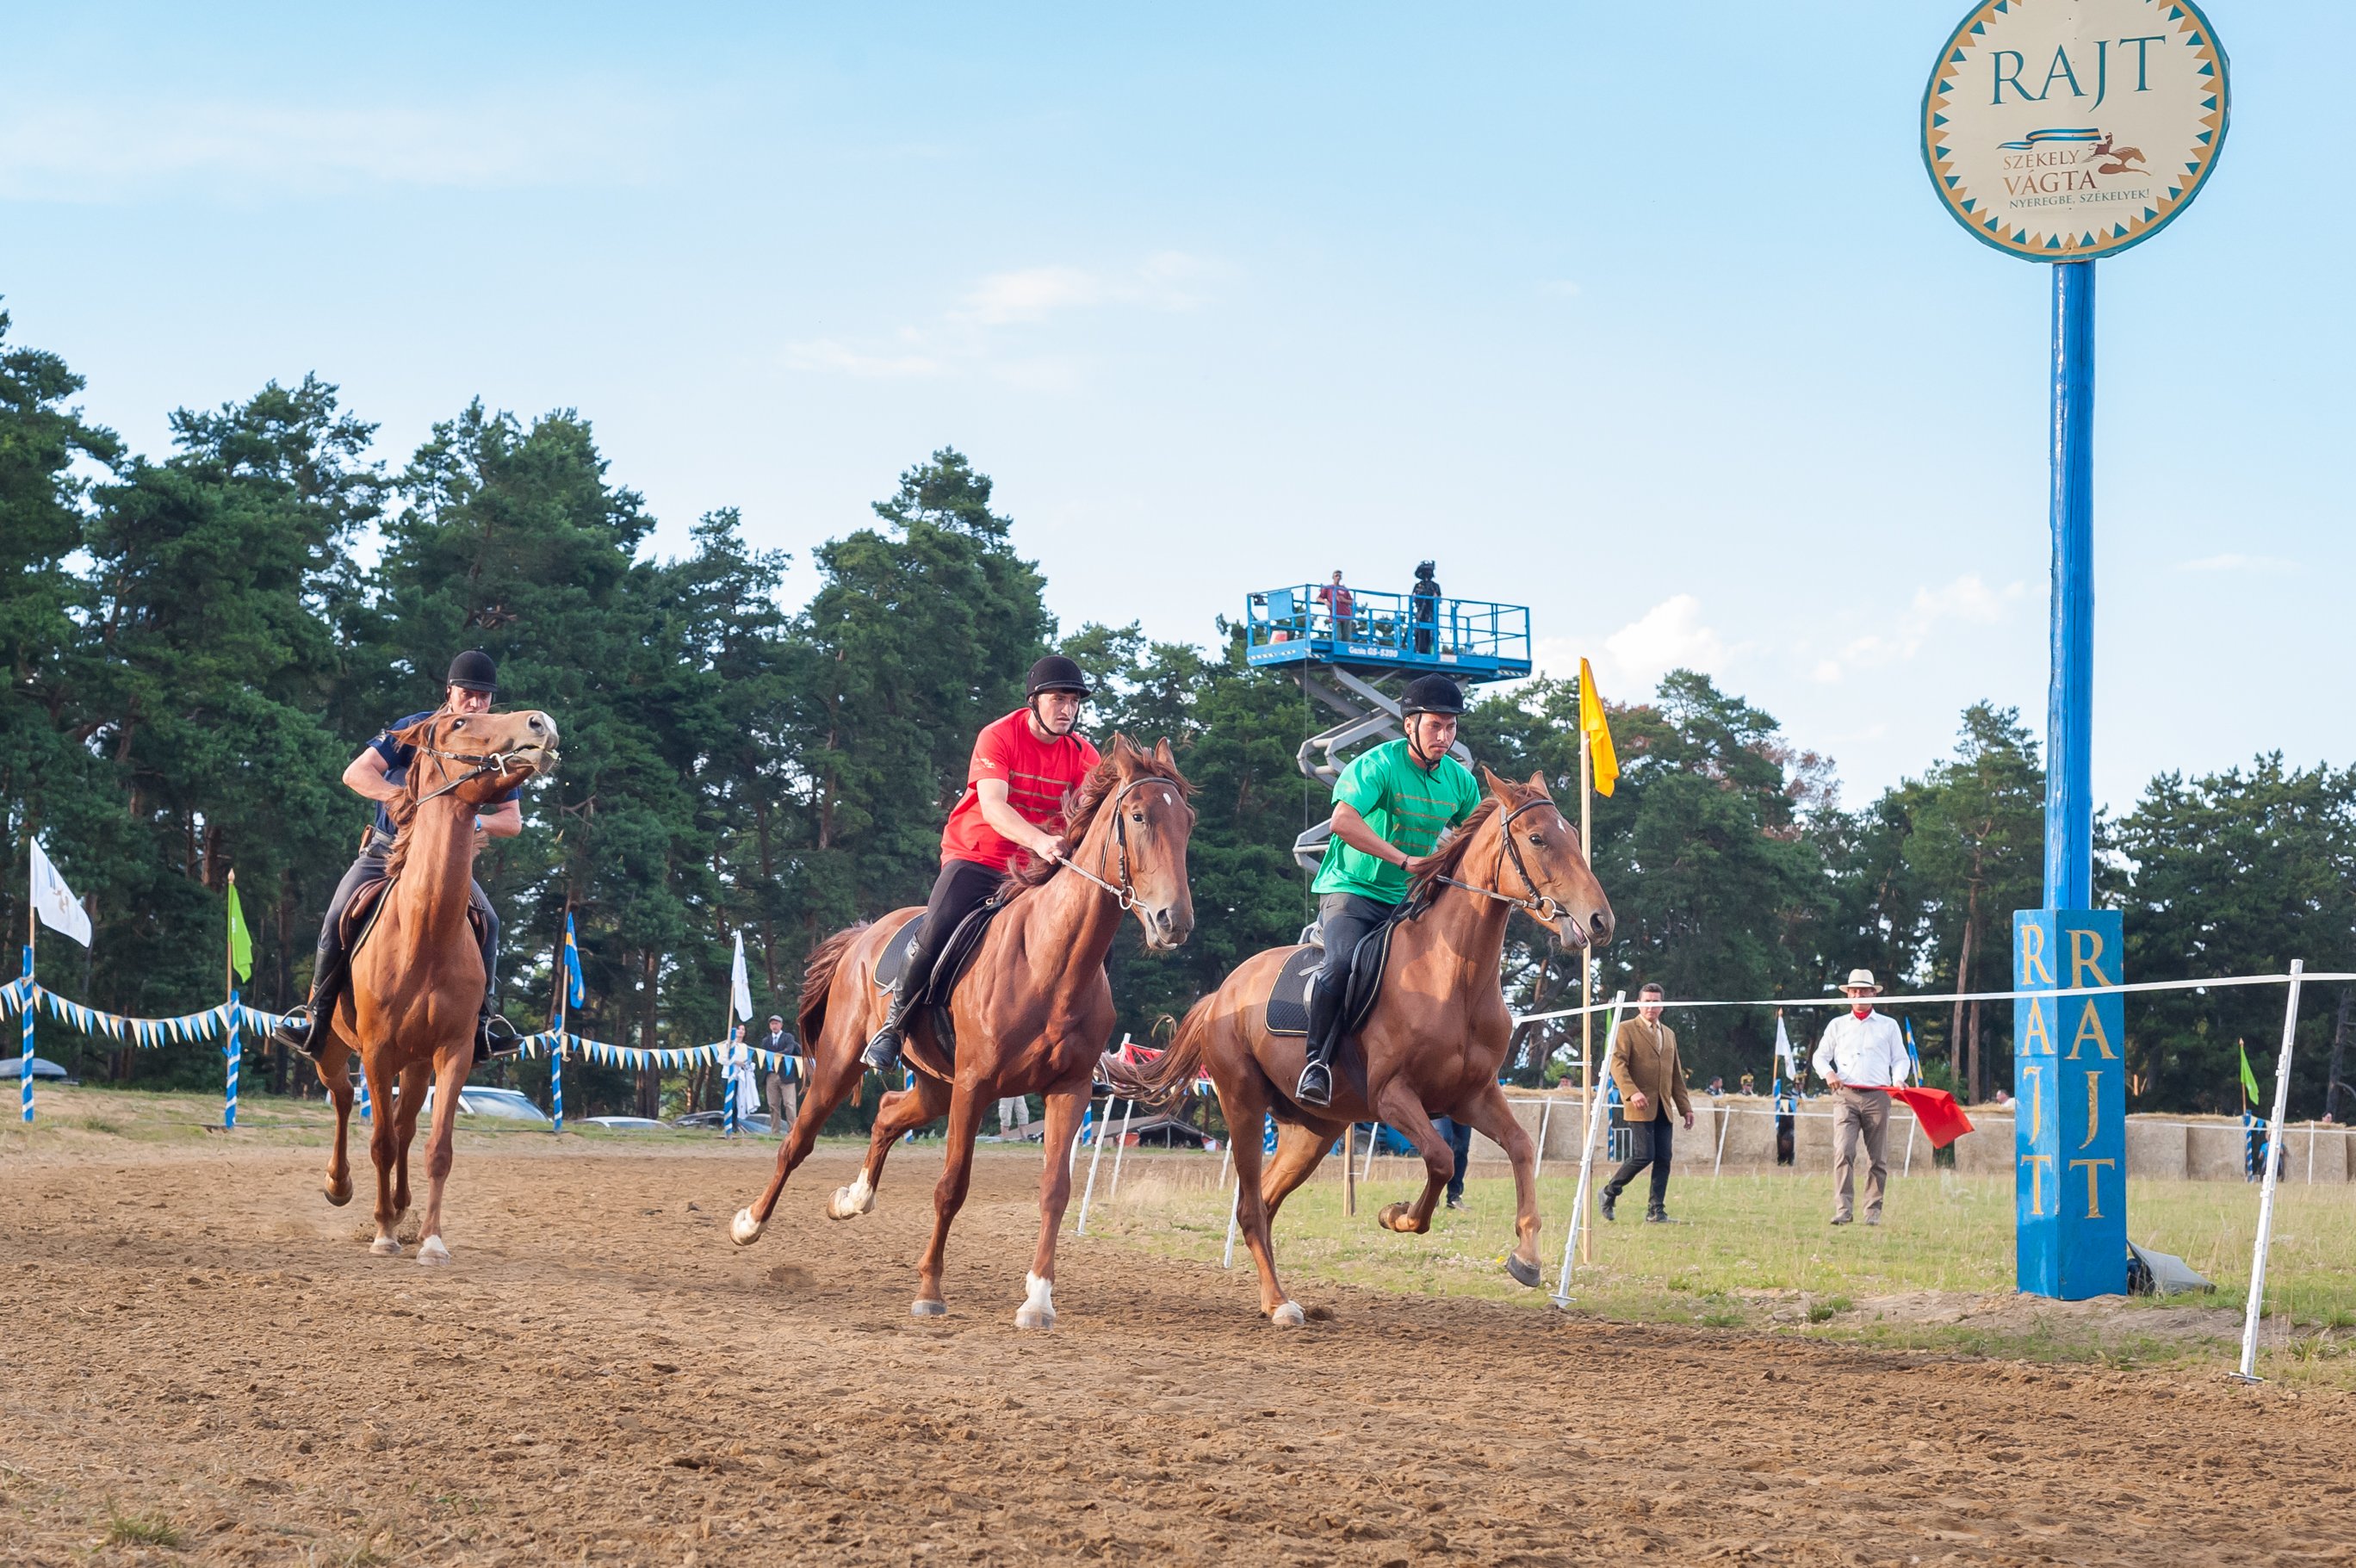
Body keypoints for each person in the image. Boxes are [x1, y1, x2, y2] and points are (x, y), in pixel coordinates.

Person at [271, 651, 521, 1063]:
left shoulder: (492, 748)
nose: (476, 704)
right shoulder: (415, 728)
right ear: (450, 692)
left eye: (484, 697)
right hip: (385, 852)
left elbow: (512, 821)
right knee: (337, 917)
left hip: (444, 863)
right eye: (468, 694)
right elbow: (355, 773)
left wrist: (475, 826)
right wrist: (396, 796)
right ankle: (315, 1018)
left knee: (490, 922)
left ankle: (484, 1025)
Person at [861, 656, 1102, 1074]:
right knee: (939, 923)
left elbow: (1090, 819)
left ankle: (1087, 1047)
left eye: (1074, 700)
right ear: (1034, 701)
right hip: (979, 856)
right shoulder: (998, 736)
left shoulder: (1084, 754)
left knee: (1093, 935)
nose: (1068, 709)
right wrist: (1041, 840)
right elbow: (993, 806)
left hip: (1040, 869)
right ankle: (894, 1025)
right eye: (1058, 699)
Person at [1296, 672, 1481, 1107]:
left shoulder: (1460, 781)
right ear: (1410, 724)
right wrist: (1403, 860)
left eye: (1451, 727)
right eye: (1435, 725)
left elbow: (1476, 838)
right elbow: (1342, 821)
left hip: (1409, 899)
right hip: (1353, 890)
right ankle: (1316, 1063)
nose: (1445, 735)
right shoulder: (1377, 763)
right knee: (1341, 965)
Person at [1810, 968, 1911, 1226]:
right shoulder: (1837, 1025)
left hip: (1878, 1095)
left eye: (1864, 991)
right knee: (1843, 1150)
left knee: (1877, 1157)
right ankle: (1843, 1209)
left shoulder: (1889, 1026)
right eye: (1854, 991)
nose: (1859, 995)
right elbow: (1819, 1056)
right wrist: (1829, 1073)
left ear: (1873, 994)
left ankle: (1872, 1211)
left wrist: (1898, 1078)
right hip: (1845, 1095)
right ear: (1849, 995)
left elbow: (1900, 1058)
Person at [1601, 983, 1694, 1222]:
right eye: (1647, 1001)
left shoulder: (1670, 1034)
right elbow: (1617, 1064)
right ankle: (1610, 1191)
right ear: (1638, 1003)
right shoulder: (1625, 1029)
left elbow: (1675, 1075)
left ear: (1662, 1005)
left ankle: (1656, 1211)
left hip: (1664, 1106)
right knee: (1644, 1155)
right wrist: (1632, 1092)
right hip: (1639, 1105)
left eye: (1655, 1002)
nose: (1651, 1006)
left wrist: (1685, 1108)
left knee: (1664, 1158)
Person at [760, 1014, 797, 1135]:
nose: (774, 1026)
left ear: (781, 1025)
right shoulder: (766, 1041)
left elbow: (789, 1051)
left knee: (789, 1104)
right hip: (771, 1075)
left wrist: (774, 1056)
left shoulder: (788, 1037)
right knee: (773, 1105)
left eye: (776, 1023)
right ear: (770, 1026)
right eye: (772, 1024)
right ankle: (775, 1131)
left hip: (786, 1075)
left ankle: (792, 1131)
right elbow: (763, 1056)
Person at [1409, 561, 1442, 654]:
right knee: (1419, 633)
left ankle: (1430, 650)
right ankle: (1419, 649)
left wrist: (1433, 595)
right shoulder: (1418, 586)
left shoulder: (1435, 586)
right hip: (1420, 614)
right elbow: (1413, 598)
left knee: (1431, 634)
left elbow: (1439, 600)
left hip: (1431, 614)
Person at [1315, 569, 1355, 641]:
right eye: (1336, 576)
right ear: (1333, 577)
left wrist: (1344, 600)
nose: (1338, 577)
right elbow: (1318, 598)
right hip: (1335, 615)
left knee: (1347, 638)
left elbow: (1352, 602)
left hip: (1346, 615)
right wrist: (1325, 602)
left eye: (1339, 576)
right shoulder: (1329, 588)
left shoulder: (1344, 589)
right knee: (1337, 637)